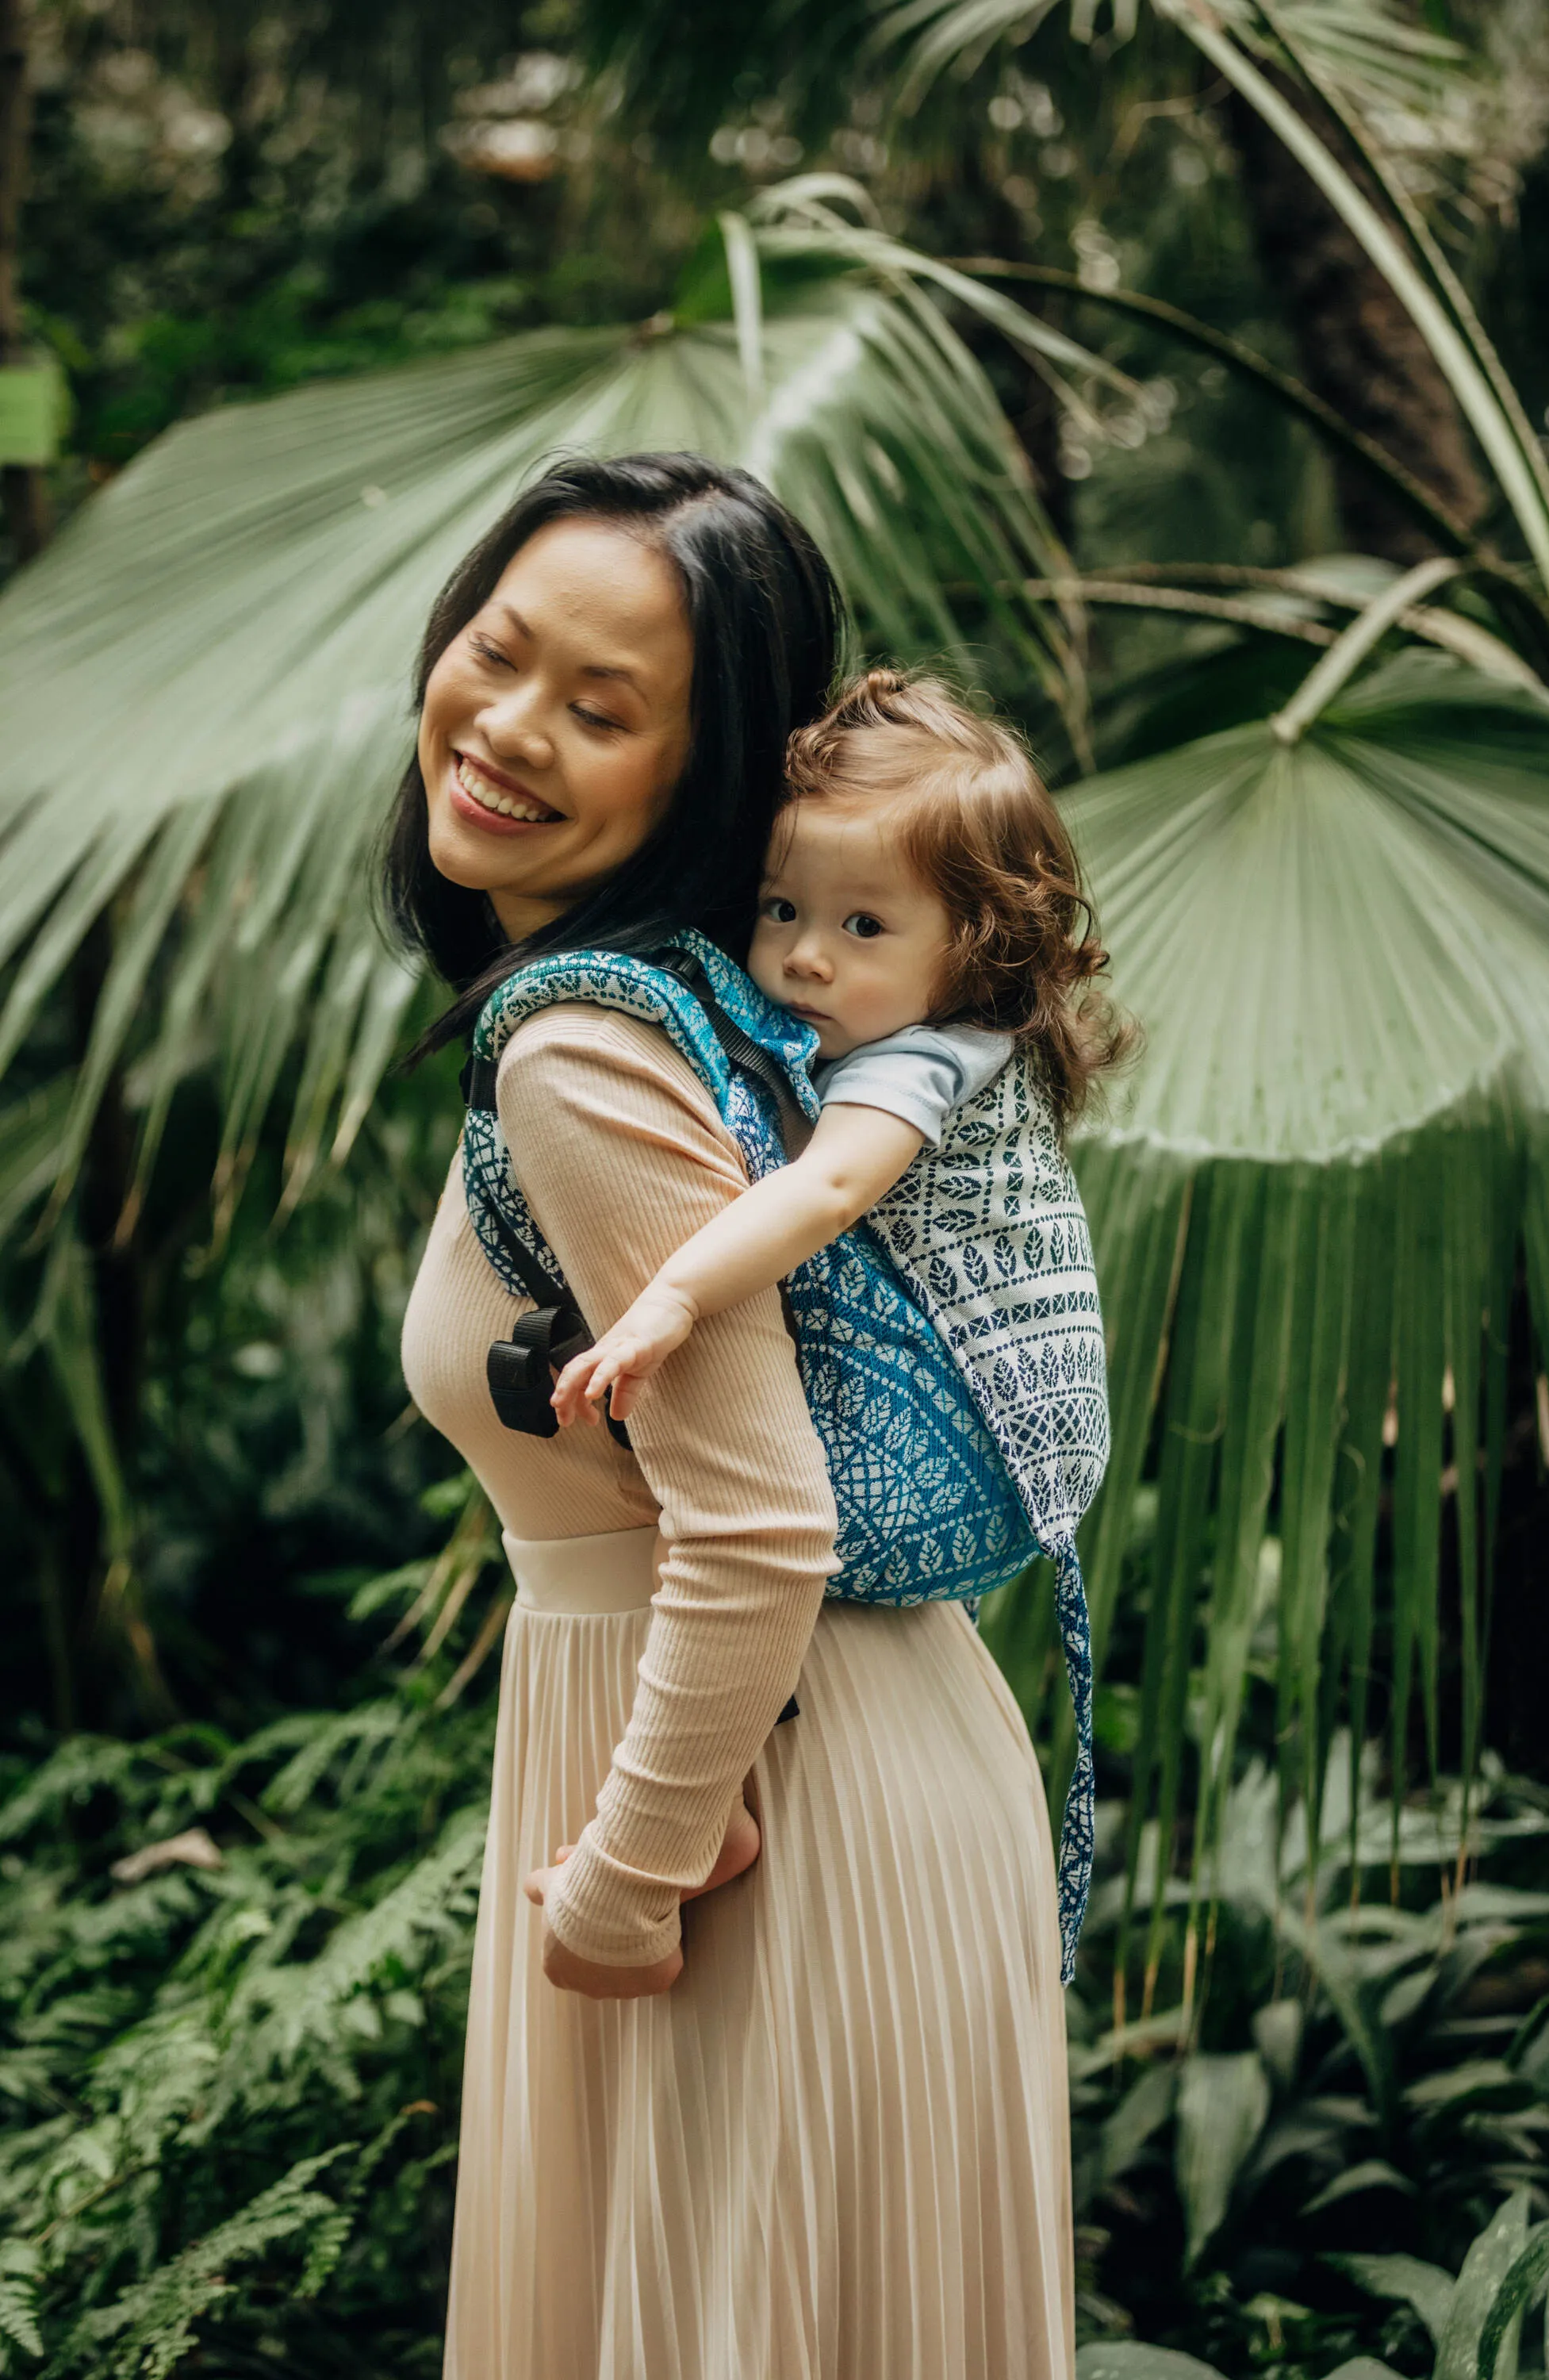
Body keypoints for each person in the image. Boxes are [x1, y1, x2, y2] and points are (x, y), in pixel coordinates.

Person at [389, 451, 1082, 2379]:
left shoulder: (592, 1044)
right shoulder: (716, 1002)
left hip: (741, 1817)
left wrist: (622, 1880)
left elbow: (759, 1514)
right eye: (498, 651)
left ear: (704, 776)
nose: (507, 725)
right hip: (816, 1753)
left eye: (600, 710)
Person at [548, 664, 1119, 1903]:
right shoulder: (946, 1038)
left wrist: (674, 1298)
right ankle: (720, 1806)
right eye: (781, 909)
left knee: (711, 1523)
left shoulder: (915, 1069)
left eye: (863, 927)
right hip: (1014, 1487)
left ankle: (701, 1814)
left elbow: (824, 1195)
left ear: (978, 953)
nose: (804, 959)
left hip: (956, 1465)